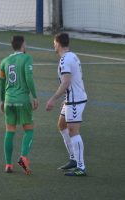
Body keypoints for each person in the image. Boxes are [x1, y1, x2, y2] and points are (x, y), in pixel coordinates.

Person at [46, 32, 87, 176]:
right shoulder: (72, 56)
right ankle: (73, 159)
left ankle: (81, 167)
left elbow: (66, 81)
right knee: (62, 125)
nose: (54, 46)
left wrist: (53, 99)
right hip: (71, 98)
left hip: (75, 100)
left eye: (54, 43)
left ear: (57, 43)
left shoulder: (65, 60)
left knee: (73, 131)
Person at [0, 35, 38, 175]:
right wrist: (34, 96)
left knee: (10, 131)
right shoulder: (27, 58)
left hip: (9, 101)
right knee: (29, 130)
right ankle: (23, 156)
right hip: (22, 100)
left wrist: (2, 100)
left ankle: (8, 164)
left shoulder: (4, 61)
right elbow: (29, 78)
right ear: (23, 44)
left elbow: (1, 83)